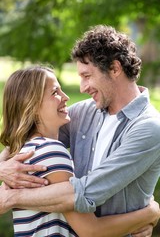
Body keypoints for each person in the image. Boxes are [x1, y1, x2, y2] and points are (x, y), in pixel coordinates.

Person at [0, 25, 160, 236]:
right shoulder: (85, 112)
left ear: (114, 68)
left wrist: (13, 197)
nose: (82, 88)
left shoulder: (147, 128)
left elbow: (85, 193)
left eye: (87, 76)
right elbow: (28, 136)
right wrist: (1, 168)